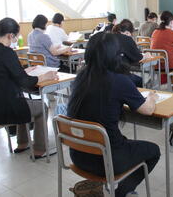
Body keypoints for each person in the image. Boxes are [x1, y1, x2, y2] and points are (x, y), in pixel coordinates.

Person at [67, 32, 160, 197]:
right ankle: (121, 192)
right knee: (153, 151)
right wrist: (152, 96)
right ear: (116, 54)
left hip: (78, 154)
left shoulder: (80, 78)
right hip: (108, 160)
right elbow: (148, 110)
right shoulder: (119, 80)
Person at [0, 17, 58, 158]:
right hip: (2, 109)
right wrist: (44, 76)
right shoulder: (6, 52)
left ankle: (23, 142)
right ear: (11, 35)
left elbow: (0, 74)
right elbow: (25, 82)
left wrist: (23, 72)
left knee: (23, 102)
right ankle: (40, 148)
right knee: (41, 107)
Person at [111, 19, 151, 87]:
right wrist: (146, 55)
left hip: (104, 74)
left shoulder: (110, 37)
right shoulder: (127, 39)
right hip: (120, 75)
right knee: (140, 81)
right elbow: (138, 57)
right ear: (127, 32)